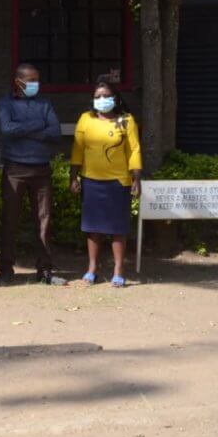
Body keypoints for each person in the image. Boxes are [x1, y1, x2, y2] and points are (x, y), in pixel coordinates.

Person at [69, 79, 142, 288]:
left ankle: (119, 270)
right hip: (91, 181)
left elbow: (134, 150)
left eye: (106, 96)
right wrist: (73, 177)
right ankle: (92, 268)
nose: (102, 100)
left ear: (115, 98)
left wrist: (136, 178)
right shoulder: (85, 119)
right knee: (93, 229)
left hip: (118, 182)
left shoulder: (126, 120)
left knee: (118, 228)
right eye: (97, 96)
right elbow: (77, 150)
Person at [0, 63, 62, 285]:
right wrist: (37, 125)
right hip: (15, 169)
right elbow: (7, 129)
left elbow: (55, 132)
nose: (35, 84)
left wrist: (23, 129)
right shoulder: (5, 103)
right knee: (10, 221)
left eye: (37, 80)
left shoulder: (45, 103)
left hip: (42, 169)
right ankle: (5, 270)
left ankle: (44, 270)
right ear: (18, 81)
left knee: (44, 221)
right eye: (31, 80)